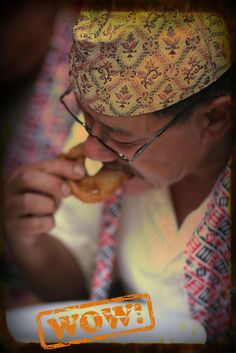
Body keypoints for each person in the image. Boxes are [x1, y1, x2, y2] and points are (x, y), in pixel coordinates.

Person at [4, 6, 235, 344]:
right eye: (85, 119)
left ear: (215, 119)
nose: (92, 151)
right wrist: (28, 238)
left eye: (123, 136)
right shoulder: (101, 138)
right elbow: (77, 292)